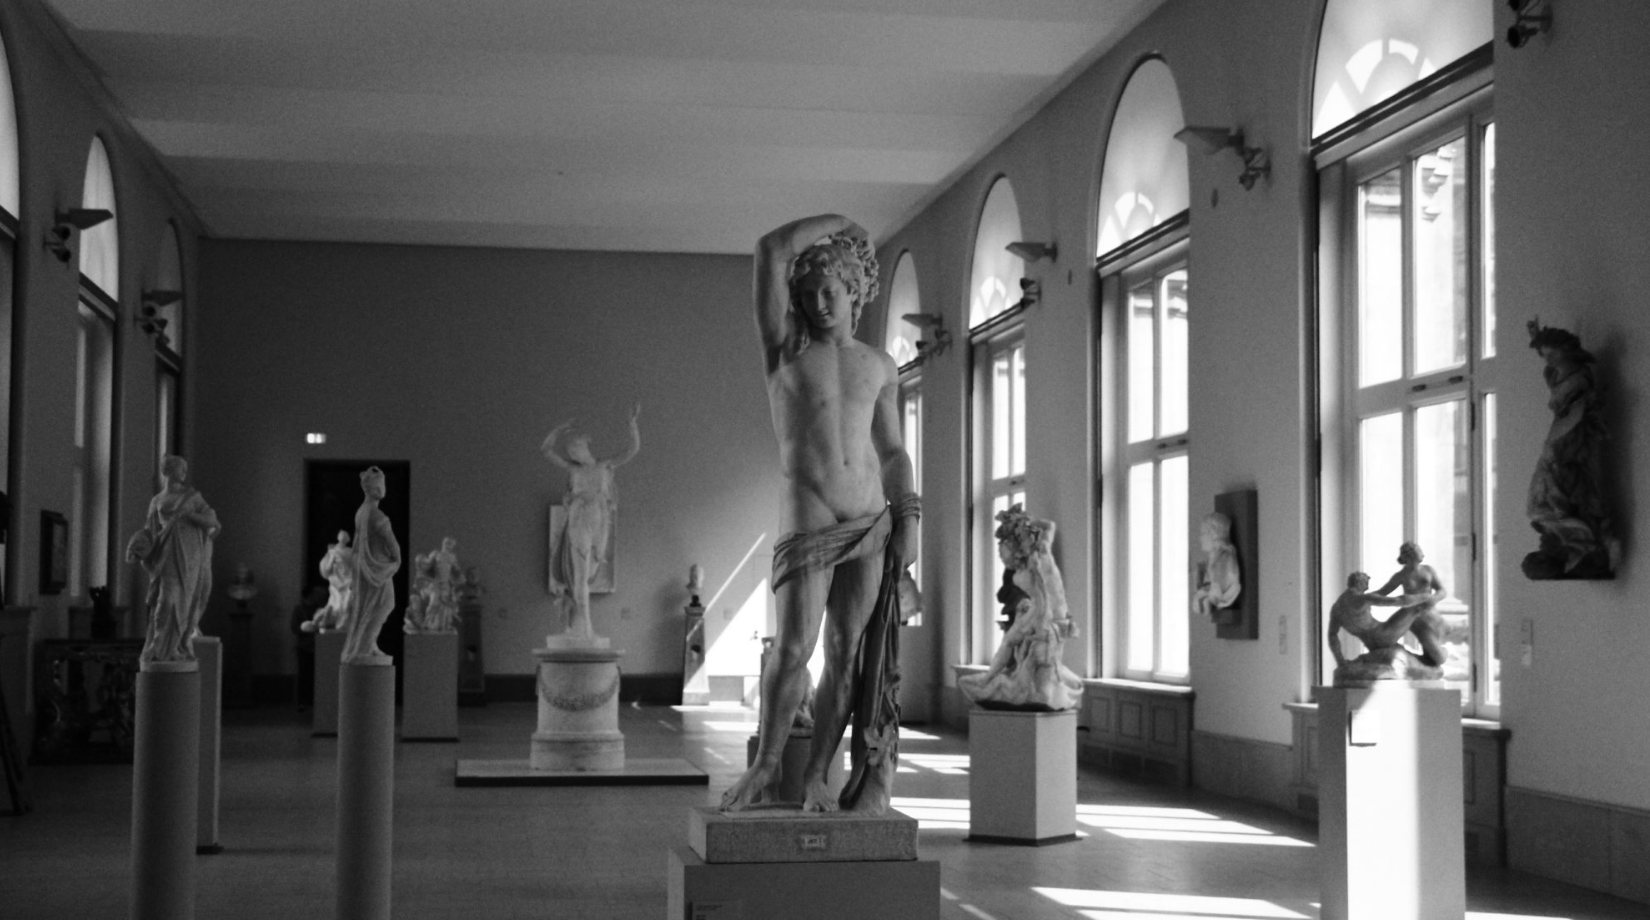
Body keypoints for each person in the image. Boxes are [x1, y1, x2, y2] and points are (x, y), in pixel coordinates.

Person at [719, 214, 917, 815]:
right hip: (809, 516)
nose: (817, 304)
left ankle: (816, 776)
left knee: (846, 651)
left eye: (828, 291)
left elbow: (893, 451)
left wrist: (908, 518)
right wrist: (841, 223)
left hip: (871, 522)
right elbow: (768, 248)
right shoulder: (784, 352)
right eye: (806, 295)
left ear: (853, 290)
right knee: (794, 646)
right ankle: (766, 766)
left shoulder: (880, 365)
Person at [958, 505, 1082, 711]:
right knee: (1009, 640)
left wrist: (1022, 523)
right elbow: (1037, 596)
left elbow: (1049, 527)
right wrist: (1027, 606)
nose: (1000, 556)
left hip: (1050, 615)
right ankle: (990, 676)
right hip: (1037, 609)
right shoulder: (1020, 570)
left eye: (1002, 551)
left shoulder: (1039, 558)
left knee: (1032, 667)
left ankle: (999, 680)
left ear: (1014, 548)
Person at [1524, 319, 1618, 578]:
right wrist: (1538, 342)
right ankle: (1570, 532)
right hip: (1563, 429)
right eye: (1545, 355)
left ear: (1568, 352)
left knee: (1547, 483)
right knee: (1543, 493)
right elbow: (1553, 382)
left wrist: (1557, 439)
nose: (1549, 360)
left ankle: (1577, 536)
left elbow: (1576, 410)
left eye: (1553, 354)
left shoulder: (1578, 378)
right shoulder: (1558, 374)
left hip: (1570, 431)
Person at [541, 404, 640, 638]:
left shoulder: (604, 466)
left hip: (598, 519)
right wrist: (559, 429)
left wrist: (632, 426)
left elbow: (632, 450)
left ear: (585, 447)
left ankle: (578, 622)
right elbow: (546, 449)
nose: (574, 454)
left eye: (576, 448)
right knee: (579, 574)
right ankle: (586, 627)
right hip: (578, 518)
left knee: (590, 572)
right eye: (571, 451)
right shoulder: (572, 469)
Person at [124, 455, 221, 664]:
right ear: (167, 471)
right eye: (180, 468)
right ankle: (158, 646)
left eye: (185, 468)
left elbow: (212, 520)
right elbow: (150, 530)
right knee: (165, 601)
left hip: (189, 557)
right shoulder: (157, 501)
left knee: (184, 602)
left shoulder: (193, 497)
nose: (184, 472)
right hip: (166, 554)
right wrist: (136, 547)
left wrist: (190, 516)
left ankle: (177, 647)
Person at [338, 466, 401, 665]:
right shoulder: (376, 515)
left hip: (365, 568)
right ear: (376, 489)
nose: (383, 488)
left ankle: (367, 644)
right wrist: (397, 560)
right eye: (381, 485)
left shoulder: (361, 512)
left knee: (368, 607)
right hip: (377, 568)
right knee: (384, 603)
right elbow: (392, 543)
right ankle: (364, 646)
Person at [1325, 571, 1435, 675]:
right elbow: (1397, 601)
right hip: (1384, 635)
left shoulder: (1337, 608)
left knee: (1402, 652)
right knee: (1414, 608)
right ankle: (1431, 648)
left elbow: (1332, 635)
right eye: (1366, 584)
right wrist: (1425, 597)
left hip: (1371, 644)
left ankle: (1425, 661)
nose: (1367, 588)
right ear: (1359, 583)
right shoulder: (1361, 598)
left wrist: (1340, 661)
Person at [1369, 542, 1449, 669]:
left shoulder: (1428, 570)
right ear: (1409, 556)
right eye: (1418, 551)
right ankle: (1403, 657)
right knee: (1438, 657)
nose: (1421, 554)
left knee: (1435, 658)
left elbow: (1442, 590)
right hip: (1412, 617)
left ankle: (1423, 662)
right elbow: (1383, 592)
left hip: (1431, 615)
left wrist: (1435, 598)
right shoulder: (1401, 576)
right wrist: (1363, 598)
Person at [1191, 512, 1241, 620]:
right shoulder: (1212, 558)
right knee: (1198, 603)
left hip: (1221, 594)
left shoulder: (1224, 556)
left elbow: (1223, 582)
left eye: (1203, 534)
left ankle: (1209, 601)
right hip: (1213, 593)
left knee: (1201, 603)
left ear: (1214, 535)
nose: (1200, 538)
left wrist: (1208, 591)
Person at [300, 531, 353, 633]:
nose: (343, 540)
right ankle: (339, 622)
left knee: (346, 602)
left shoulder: (350, 552)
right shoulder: (333, 552)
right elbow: (326, 569)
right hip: (337, 583)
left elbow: (355, 568)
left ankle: (342, 622)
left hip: (347, 582)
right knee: (340, 603)